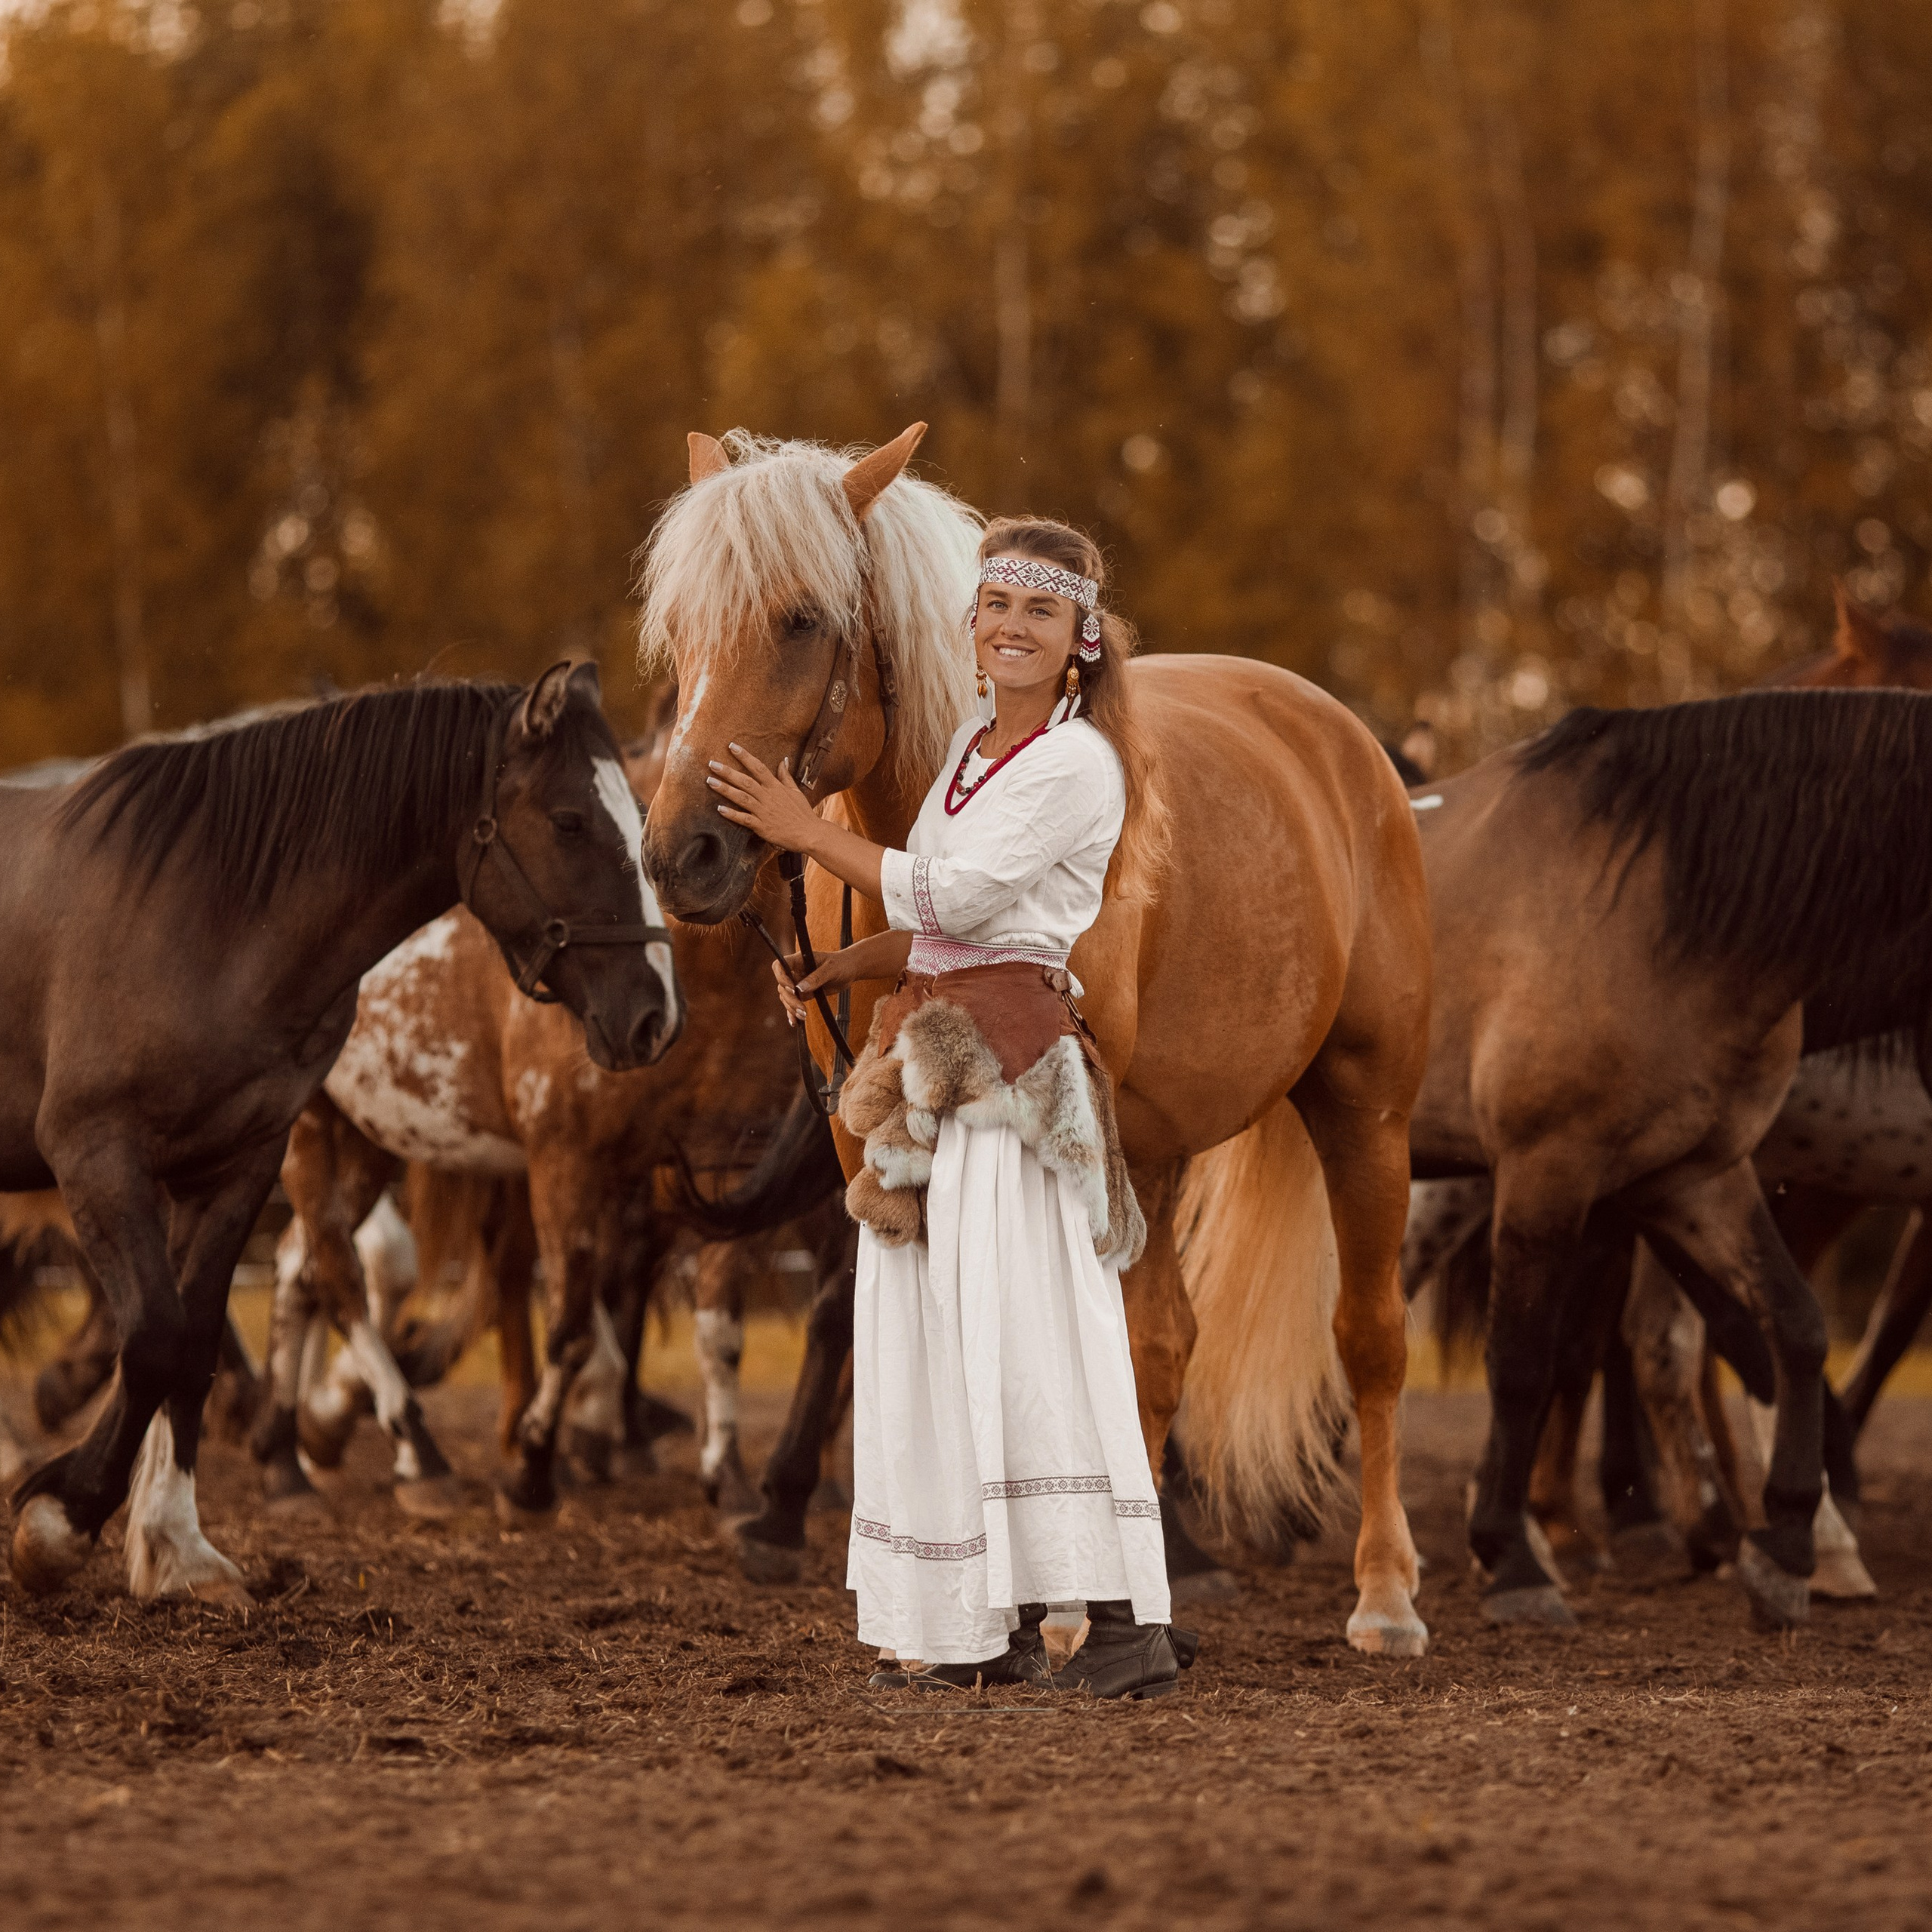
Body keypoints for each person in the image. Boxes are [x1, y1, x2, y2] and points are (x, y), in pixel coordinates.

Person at [706, 515, 1183, 1699]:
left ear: (1080, 641)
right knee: (931, 1335)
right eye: (997, 607)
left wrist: (806, 832)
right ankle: (977, 1628)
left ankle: (1122, 1625)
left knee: (1026, 1331)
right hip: (932, 1060)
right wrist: (841, 967)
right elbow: (937, 924)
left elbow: (968, 893)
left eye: (1041, 613)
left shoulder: (1082, 764)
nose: (1012, 628)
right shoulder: (972, 742)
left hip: (1013, 1076)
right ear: (971, 625)